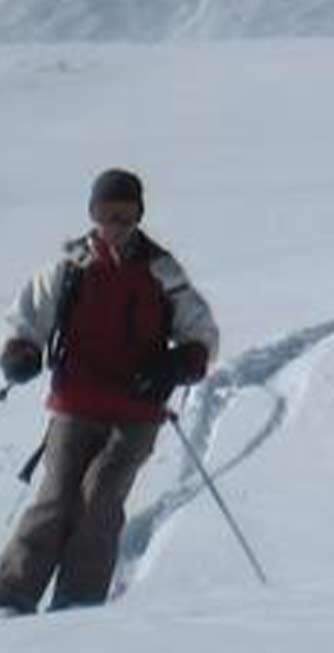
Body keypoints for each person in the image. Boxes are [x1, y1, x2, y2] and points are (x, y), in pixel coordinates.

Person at [0, 170, 217, 614]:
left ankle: (78, 601)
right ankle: (11, 592)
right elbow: (27, 315)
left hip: (137, 407)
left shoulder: (162, 271)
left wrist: (179, 363)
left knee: (100, 497)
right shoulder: (70, 266)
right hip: (76, 401)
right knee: (57, 493)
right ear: (92, 214)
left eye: (124, 214)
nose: (115, 224)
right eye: (105, 214)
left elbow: (201, 331)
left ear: (138, 214)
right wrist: (21, 350)